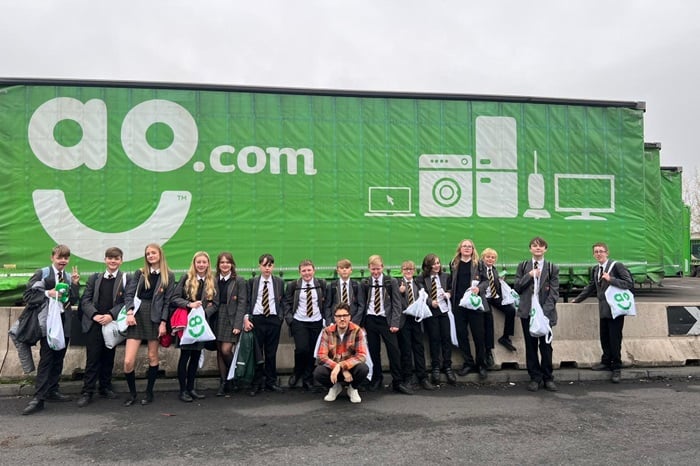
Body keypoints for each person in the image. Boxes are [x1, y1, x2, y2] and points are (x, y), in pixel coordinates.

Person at [22, 244, 80, 415]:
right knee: (46, 358)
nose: (63, 261)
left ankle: (52, 390)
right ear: (52, 257)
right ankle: (39, 397)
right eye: (59, 257)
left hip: (64, 321)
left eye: (66, 258)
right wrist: (49, 293)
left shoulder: (68, 277)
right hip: (48, 322)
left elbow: (73, 300)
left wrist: (75, 284)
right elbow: (28, 296)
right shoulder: (43, 274)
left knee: (59, 358)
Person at [571, 242, 634, 383]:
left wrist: (611, 279)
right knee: (604, 336)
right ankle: (606, 362)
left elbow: (628, 283)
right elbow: (591, 287)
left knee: (615, 338)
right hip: (603, 309)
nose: (598, 254)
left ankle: (616, 367)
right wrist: (578, 299)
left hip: (615, 309)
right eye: (596, 252)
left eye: (601, 251)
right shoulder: (596, 269)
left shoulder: (616, 266)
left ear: (607, 252)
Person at [122, 243, 176, 406]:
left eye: (153, 253)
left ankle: (149, 392)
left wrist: (163, 323)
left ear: (160, 254)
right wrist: (130, 312)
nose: (150, 256)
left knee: (153, 356)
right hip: (137, 316)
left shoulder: (169, 275)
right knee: (128, 361)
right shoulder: (140, 273)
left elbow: (167, 301)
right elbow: (129, 294)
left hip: (155, 317)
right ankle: (132, 394)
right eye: (148, 254)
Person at [76, 247, 128, 408]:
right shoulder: (95, 278)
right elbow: (85, 300)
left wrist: (111, 315)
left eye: (116, 258)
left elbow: (127, 301)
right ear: (105, 260)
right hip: (95, 324)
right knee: (92, 359)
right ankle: (87, 392)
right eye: (110, 258)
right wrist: (95, 315)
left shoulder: (125, 279)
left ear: (121, 260)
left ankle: (105, 387)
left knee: (108, 357)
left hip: (112, 324)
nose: (113, 261)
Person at [360, 255, 413, 395]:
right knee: (373, 350)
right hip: (371, 319)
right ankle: (377, 378)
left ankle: (397, 380)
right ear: (369, 268)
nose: (375, 272)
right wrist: (362, 324)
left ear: (382, 267)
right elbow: (362, 304)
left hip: (386, 320)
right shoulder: (365, 282)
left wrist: (395, 323)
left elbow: (397, 303)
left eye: (378, 269)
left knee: (394, 350)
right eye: (373, 269)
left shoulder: (391, 281)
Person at [514, 236, 560, 392]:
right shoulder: (523, 266)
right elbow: (517, 287)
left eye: (541, 246)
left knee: (546, 346)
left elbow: (554, 293)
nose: (538, 248)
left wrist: (544, 312)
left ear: (545, 249)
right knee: (531, 346)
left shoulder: (553, 267)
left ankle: (548, 377)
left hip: (545, 313)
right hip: (527, 311)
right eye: (534, 246)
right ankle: (535, 377)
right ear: (530, 249)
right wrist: (530, 275)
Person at [171, 251, 217, 402]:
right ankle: (182, 390)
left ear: (208, 264)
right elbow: (175, 298)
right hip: (187, 324)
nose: (201, 265)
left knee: (196, 357)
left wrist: (205, 312)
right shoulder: (186, 278)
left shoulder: (212, 280)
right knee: (185, 357)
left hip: (201, 325)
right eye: (199, 262)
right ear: (194, 263)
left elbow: (216, 304)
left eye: (204, 262)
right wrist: (189, 304)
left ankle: (191, 388)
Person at [283, 259, 327, 392]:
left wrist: (325, 319)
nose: (307, 273)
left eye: (309, 270)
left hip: (316, 321)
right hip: (299, 321)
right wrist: (290, 319)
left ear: (314, 270)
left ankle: (308, 378)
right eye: (304, 270)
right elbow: (287, 302)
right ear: (299, 272)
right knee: (302, 349)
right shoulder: (293, 285)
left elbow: (326, 301)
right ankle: (297, 373)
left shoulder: (321, 284)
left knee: (312, 351)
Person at [245, 253, 285, 395]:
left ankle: (271, 382)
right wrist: (247, 318)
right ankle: (256, 382)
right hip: (257, 319)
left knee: (271, 353)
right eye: (264, 265)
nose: (267, 268)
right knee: (257, 353)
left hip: (273, 320)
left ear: (273, 266)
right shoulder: (252, 282)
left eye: (270, 265)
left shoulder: (279, 282)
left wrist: (280, 318)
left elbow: (283, 301)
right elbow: (248, 301)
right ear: (259, 266)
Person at [314, 303, 370, 403]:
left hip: (351, 370)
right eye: (339, 316)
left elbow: (361, 356)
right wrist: (338, 367)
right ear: (334, 318)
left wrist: (341, 366)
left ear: (350, 317)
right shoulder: (327, 331)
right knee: (318, 372)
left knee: (363, 368)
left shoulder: (357, 331)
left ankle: (353, 388)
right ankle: (335, 387)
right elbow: (321, 356)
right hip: (333, 370)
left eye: (345, 316)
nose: (342, 319)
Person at [450, 239, 489, 380]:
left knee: (479, 336)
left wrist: (479, 288)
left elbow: (486, 281)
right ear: (460, 249)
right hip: (459, 306)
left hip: (474, 305)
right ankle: (468, 362)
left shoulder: (479, 264)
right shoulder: (454, 263)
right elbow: (451, 283)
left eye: (469, 246)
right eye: (464, 246)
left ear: (473, 249)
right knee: (461, 335)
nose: (467, 248)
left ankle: (481, 365)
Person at [212, 252, 248, 396]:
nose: (225, 265)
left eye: (227, 262)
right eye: (222, 262)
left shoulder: (239, 280)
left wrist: (238, 324)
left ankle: (235, 376)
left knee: (226, 350)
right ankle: (223, 382)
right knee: (219, 351)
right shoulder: (213, 279)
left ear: (232, 264)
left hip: (230, 318)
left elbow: (242, 303)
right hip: (215, 317)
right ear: (218, 265)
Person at [417, 254, 455, 385]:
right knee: (434, 339)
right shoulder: (422, 278)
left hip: (444, 310)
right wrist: (429, 302)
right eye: (434, 264)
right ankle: (435, 367)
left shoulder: (445, 276)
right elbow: (420, 293)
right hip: (431, 311)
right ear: (428, 266)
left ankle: (448, 366)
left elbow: (451, 288)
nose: (437, 266)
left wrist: (448, 293)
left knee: (446, 338)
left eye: (438, 263)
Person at [398, 260, 436, 390]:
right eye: (405, 269)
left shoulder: (417, 284)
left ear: (414, 271)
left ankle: (422, 377)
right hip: (404, 320)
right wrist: (400, 292)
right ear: (401, 270)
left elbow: (424, 298)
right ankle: (407, 377)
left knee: (419, 348)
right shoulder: (398, 283)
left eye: (410, 269)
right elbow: (394, 300)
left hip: (417, 319)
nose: (408, 271)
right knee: (406, 349)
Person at [481, 248, 518, 362]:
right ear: (483, 258)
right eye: (488, 257)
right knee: (488, 317)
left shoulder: (494, 270)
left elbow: (496, 284)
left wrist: (499, 280)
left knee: (511, 311)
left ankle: (505, 337)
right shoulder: (480, 270)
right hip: (484, 297)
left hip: (495, 296)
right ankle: (488, 350)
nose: (490, 259)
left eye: (492, 257)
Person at [325, 259, 365, 325]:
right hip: (336, 322)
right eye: (341, 268)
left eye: (347, 268)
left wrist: (355, 321)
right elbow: (327, 306)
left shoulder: (356, 285)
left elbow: (361, 305)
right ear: (337, 271)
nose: (344, 270)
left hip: (352, 321)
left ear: (351, 270)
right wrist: (330, 322)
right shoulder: (332, 286)